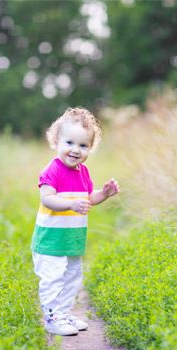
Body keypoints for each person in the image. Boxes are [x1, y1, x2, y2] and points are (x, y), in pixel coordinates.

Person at [31, 107, 120, 336]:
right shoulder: (53, 170)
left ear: (90, 148)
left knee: (72, 277)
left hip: (72, 239)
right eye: (69, 142)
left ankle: (63, 313)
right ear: (56, 141)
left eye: (83, 145)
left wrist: (105, 194)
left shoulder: (83, 172)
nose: (75, 150)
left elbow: (88, 198)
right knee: (53, 279)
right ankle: (51, 318)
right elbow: (47, 199)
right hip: (51, 239)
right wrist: (70, 205)